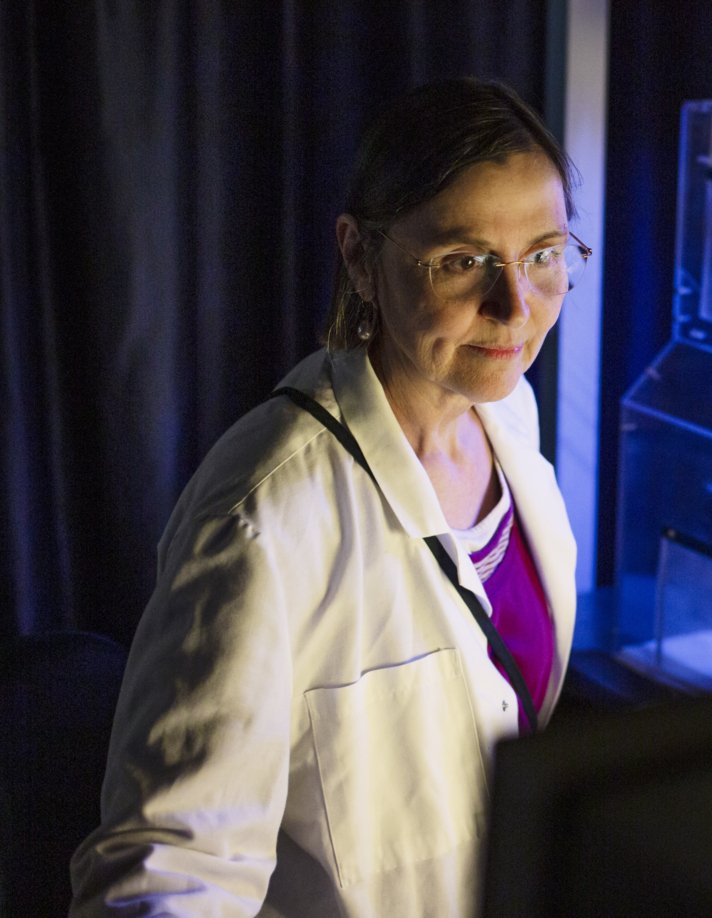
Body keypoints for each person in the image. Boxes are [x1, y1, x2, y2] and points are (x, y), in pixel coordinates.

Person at [69, 77, 585, 916]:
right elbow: (162, 882)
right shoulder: (261, 518)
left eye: (544, 256)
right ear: (358, 256)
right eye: (463, 262)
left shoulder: (508, 419)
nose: (514, 307)